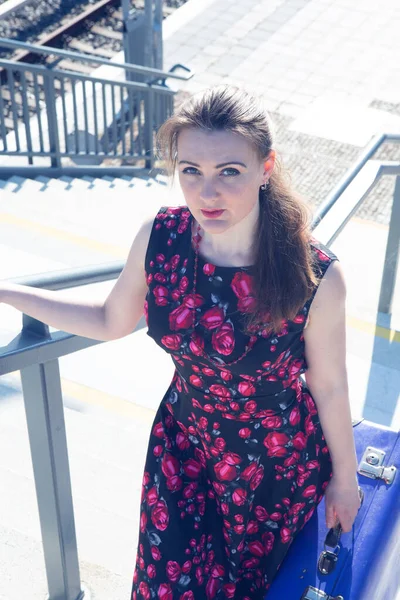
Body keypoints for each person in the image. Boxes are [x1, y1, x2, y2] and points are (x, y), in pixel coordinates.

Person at [0, 85, 361, 599]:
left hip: (273, 468)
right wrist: (9, 292)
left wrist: (345, 481)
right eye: (190, 170)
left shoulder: (315, 274)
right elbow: (110, 318)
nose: (206, 194)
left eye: (228, 172)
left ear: (266, 168)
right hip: (184, 448)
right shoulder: (162, 238)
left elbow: (328, 386)